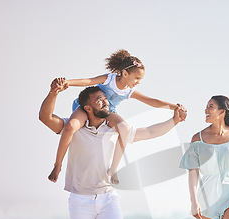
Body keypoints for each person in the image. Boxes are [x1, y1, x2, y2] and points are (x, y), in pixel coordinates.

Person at [39, 78, 187, 219]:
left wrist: (174, 121)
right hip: (80, 197)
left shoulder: (115, 130)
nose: (106, 102)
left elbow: (149, 132)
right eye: (100, 100)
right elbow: (45, 118)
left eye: (106, 99)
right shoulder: (74, 126)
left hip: (108, 196)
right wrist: (53, 94)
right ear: (87, 108)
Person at [48, 49, 182, 185]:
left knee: (124, 128)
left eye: (140, 79)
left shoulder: (129, 91)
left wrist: (174, 107)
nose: (138, 82)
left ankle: (113, 169)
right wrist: (67, 83)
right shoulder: (109, 79)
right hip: (90, 107)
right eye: (137, 78)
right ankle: (57, 165)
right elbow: (88, 81)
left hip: (108, 112)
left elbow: (151, 101)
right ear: (125, 73)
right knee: (70, 126)